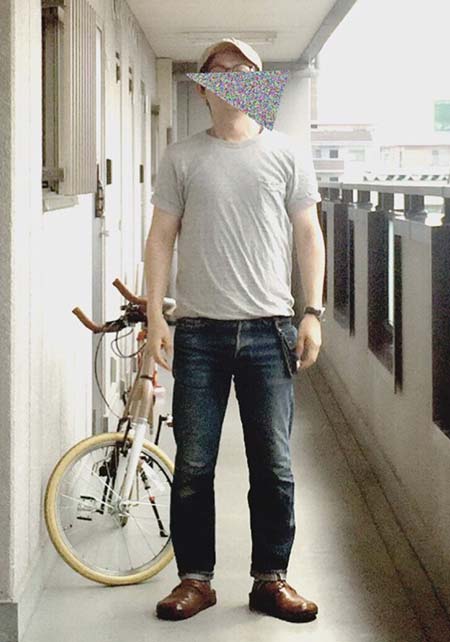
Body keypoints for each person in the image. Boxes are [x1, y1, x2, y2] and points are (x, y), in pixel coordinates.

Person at [144, 37, 326, 623]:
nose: (232, 77)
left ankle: (271, 579)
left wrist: (313, 311)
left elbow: (309, 234)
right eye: (219, 70)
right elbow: (160, 238)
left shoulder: (286, 153)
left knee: (273, 466)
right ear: (202, 88)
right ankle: (195, 580)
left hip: (270, 332)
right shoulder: (182, 157)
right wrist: (155, 316)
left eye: (244, 69)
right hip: (199, 334)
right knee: (194, 467)